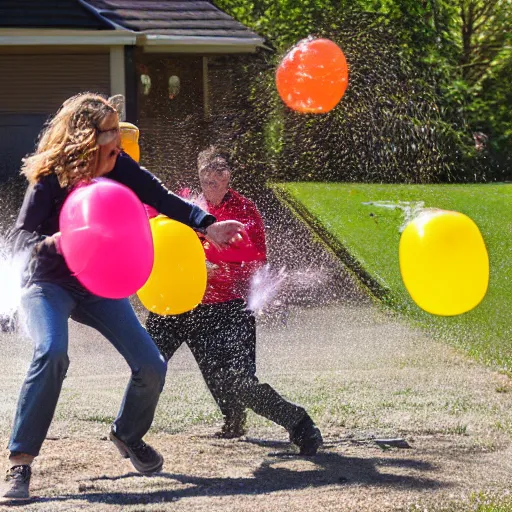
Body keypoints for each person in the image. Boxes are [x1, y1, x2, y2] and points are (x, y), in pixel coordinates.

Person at [3, 94, 244, 501]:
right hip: (47, 282)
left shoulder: (121, 168)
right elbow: (19, 237)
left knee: (151, 363)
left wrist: (208, 224)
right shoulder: (51, 177)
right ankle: (19, 464)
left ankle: (127, 434)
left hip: (98, 283)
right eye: (110, 130)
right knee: (52, 352)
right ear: (85, 138)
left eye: (118, 127)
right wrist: (57, 242)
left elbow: (162, 197)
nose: (119, 137)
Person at [146, 147, 323, 454]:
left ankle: (300, 424)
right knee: (145, 363)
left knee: (238, 381)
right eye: (205, 171)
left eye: (219, 171)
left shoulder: (244, 210)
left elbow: (255, 258)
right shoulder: (184, 203)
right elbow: (156, 234)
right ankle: (129, 432)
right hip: (175, 303)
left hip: (226, 308)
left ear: (230, 175)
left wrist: (214, 267)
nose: (211, 177)